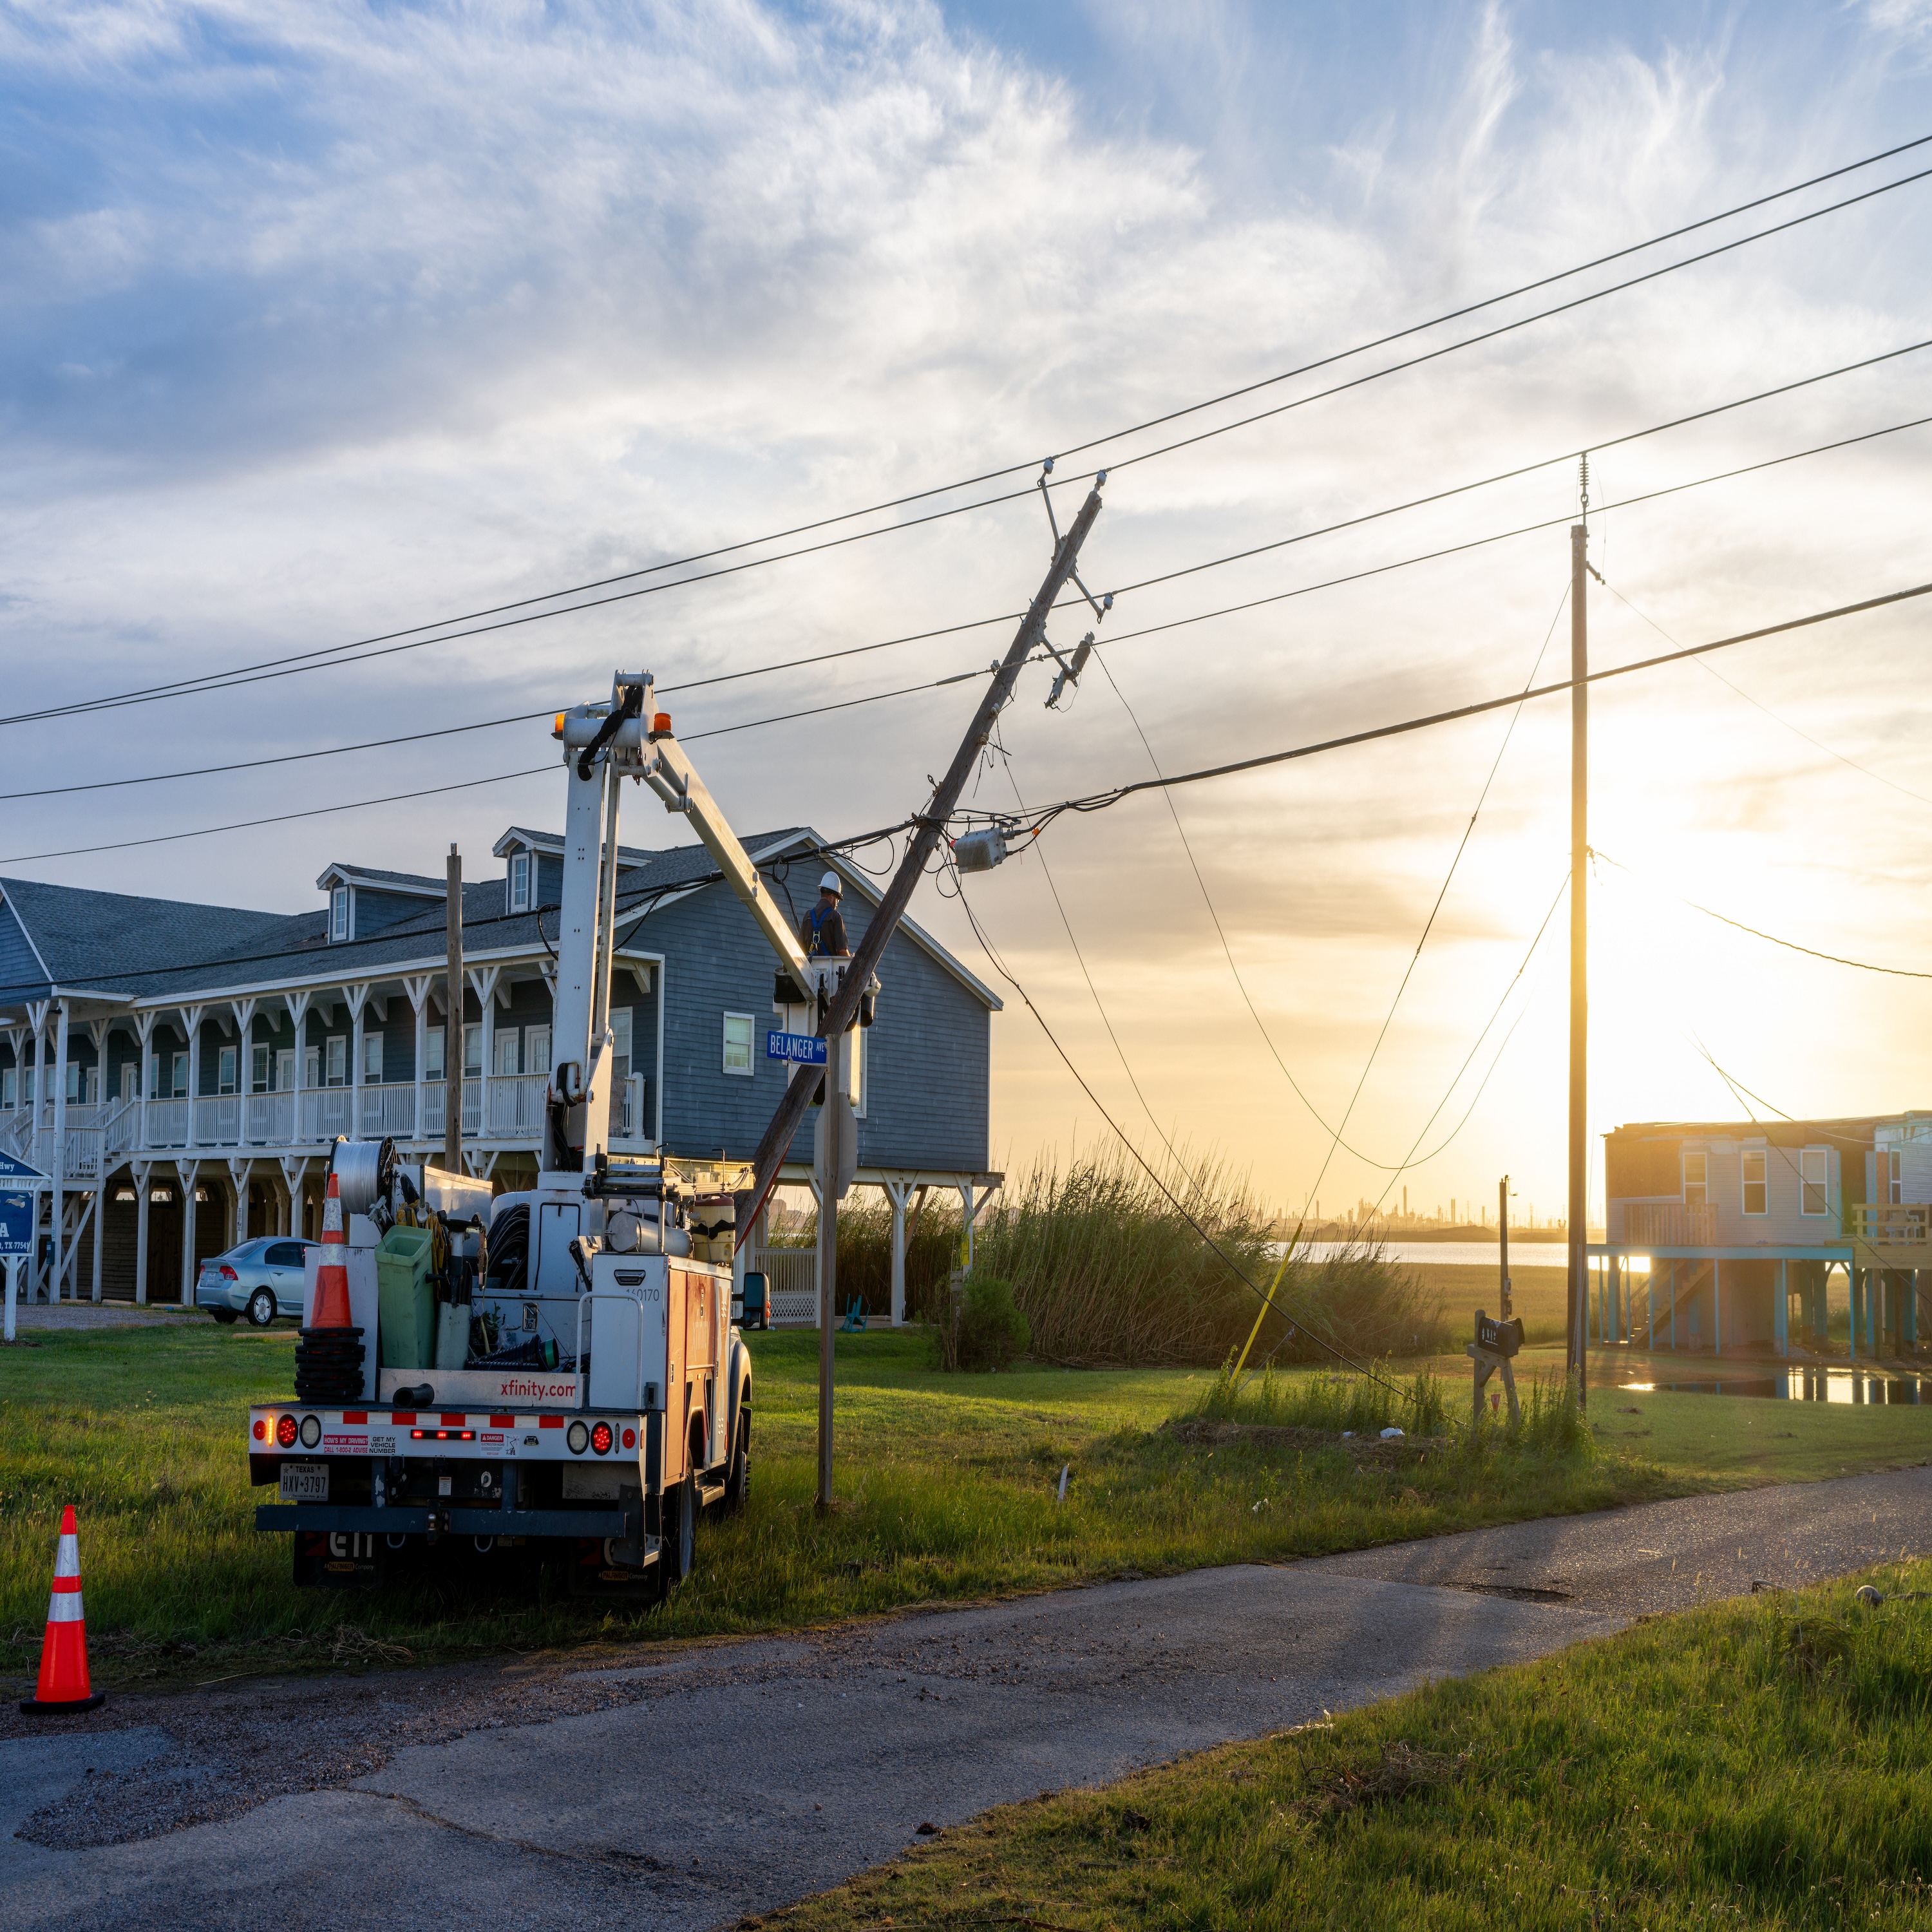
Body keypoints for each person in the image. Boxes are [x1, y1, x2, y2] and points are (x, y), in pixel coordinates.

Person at [800, 871, 849, 957]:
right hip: (830, 970)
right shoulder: (835, 917)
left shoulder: (808, 916)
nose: (837, 904)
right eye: (837, 900)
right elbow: (842, 952)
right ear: (831, 897)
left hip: (808, 969)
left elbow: (799, 950)